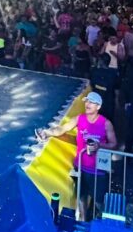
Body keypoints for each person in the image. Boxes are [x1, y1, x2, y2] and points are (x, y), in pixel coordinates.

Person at [38, 91, 118, 221]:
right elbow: (61, 129)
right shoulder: (79, 119)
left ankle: (103, 221)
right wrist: (47, 133)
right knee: (81, 197)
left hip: (98, 171)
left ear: (98, 106)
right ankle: (83, 220)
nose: (87, 104)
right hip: (80, 167)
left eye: (91, 102)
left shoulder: (105, 123)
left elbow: (114, 144)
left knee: (99, 201)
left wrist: (99, 146)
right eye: (87, 101)